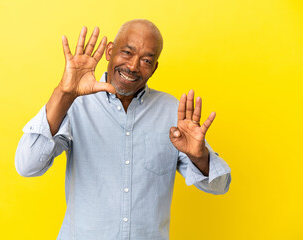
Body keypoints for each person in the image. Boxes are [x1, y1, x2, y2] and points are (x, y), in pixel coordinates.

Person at [15, 19, 231, 240]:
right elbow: (27, 165)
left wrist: (200, 156)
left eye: (146, 60)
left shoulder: (172, 113)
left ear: (154, 68)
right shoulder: (74, 104)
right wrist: (64, 93)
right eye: (127, 52)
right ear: (110, 51)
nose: (133, 66)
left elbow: (220, 185)